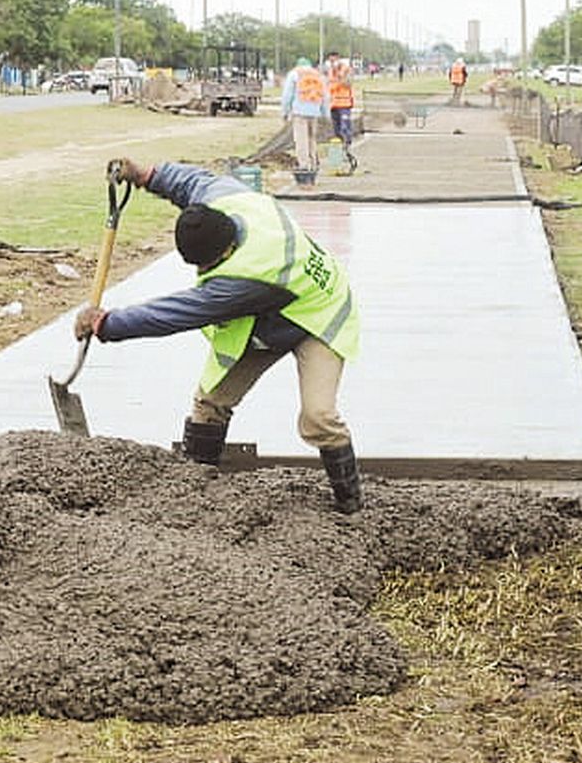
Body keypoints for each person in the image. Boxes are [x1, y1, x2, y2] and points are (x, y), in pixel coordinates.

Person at [73, 160, 364, 513]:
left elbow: (174, 314)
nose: (200, 273)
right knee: (209, 404)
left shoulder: (243, 280)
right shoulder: (227, 199)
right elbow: (191, 181)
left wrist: (106, 324)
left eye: (204, 266)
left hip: (317, 313)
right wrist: (146, 175)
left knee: (318, 416)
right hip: (264, 322)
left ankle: (350, 506)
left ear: (225, 252)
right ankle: (196, 500)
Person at [279, 56, 328, 182]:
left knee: (301, 139)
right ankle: (313, 163)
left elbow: (287, 95)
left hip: (299, 111)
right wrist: (325, 113)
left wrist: (284, 112)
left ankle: (304, 166)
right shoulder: (318, 75)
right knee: (312, 139)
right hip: (315, 111)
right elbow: (325, 96)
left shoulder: (294, 74)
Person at [323, 51, 355, 146]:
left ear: (338, 59)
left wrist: (339, 75)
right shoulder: (330, 71)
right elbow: (328, 85)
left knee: (345, 126)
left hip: (344, 104)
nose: (332, 63)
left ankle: (348, 144)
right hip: (333, 104)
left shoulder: (346, 69)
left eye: (334, 60)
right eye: (330, 61)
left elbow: (348, 83)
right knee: (336, 128)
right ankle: (340, 146)